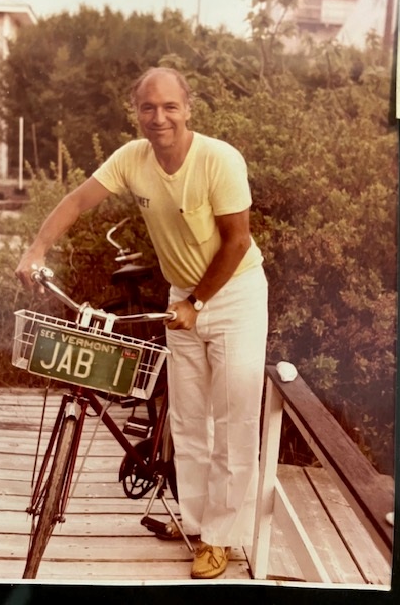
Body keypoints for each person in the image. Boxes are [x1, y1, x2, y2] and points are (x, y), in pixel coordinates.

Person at [15, 67, 268, 580]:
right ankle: (198, 526)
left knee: (235, 422)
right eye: (148, 107)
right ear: (136, 112)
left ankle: (222, 538)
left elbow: (238, 242)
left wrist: (198, 300)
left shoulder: (219, 159)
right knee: (188, 421)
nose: (159, 117)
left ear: (188, 108)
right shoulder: (133, 157)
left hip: (234, 296)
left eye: (170, 106)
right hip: (183, 298)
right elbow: (79, 201)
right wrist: (37, 247)